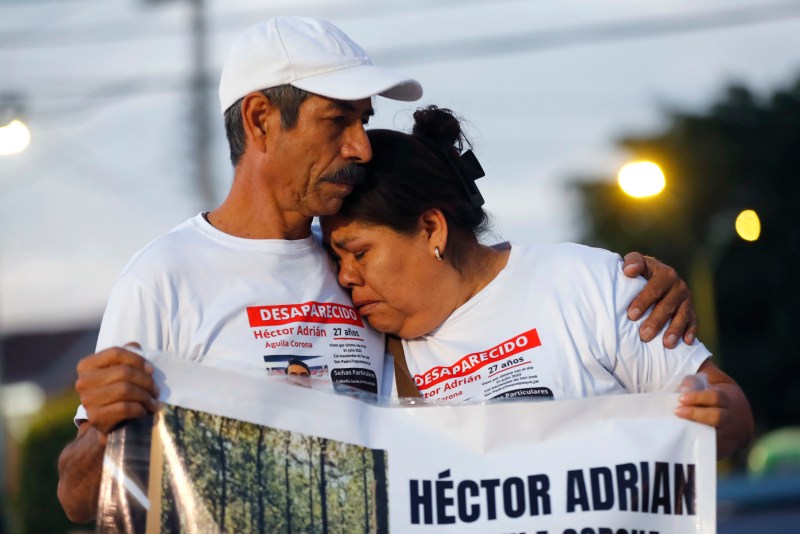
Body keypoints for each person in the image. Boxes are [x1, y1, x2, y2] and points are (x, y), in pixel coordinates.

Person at [57, 17, 696, 523]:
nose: (360, 145)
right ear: (259, 120)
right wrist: (106, 428)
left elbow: (487, 314)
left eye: (363, 121)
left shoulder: (366, 268)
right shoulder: (162, 278)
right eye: (338, 121)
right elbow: (80, 500)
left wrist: (630, 289)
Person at [320, 106, 754, 459]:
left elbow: (727, 406)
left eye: (359, 253)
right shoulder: (361, 342)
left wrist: (715, 417)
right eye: (336, 258)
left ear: (433, 229)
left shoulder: (586, 283)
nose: (345, 276)